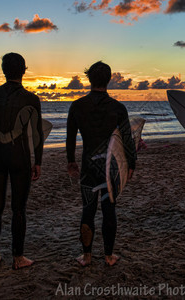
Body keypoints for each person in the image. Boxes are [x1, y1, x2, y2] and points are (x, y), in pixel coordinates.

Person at [66, 61, 137, 266]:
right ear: (109, 79)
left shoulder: (77, 106)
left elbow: (70, 138)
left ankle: (87, 256)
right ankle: (108, 256)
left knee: (88, 209)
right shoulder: (118, 108)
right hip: (110, 167)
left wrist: (71, 161)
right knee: (109, 209)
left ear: (89, 79)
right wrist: (131, 163)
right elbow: (127, 139)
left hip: (88, 166)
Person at [0, 53, 44, 270]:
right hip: (20, 158)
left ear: (3, 70)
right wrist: (38, 162)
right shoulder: (32, 99)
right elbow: (36, 134)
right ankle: (18, 258)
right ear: (24, 70)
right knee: (18, 209)